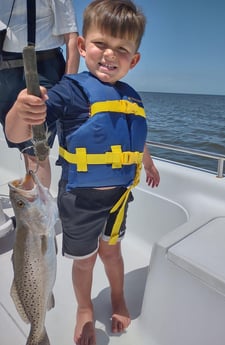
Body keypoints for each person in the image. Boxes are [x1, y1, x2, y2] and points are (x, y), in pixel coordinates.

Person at [5, 1, 160, 344]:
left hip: (119, 199)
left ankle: (118, 297)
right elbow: (18, 136)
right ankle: (85, 308)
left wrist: (147, 162)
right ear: (81, 45)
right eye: (101, 43)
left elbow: (135, 138)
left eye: (122, 49)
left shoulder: (132, 97)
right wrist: (20, 110)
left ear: (133, 60)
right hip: (80, 201)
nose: (109, 54)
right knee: (85, 262)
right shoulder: (70, 90)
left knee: (113, 253)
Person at [0, 0, 79, 188]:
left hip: (42, 67)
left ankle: (39, 215)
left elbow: (71, 38)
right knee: (22, 141)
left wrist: (69, 87)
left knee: (36, 148)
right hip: (4, 71)